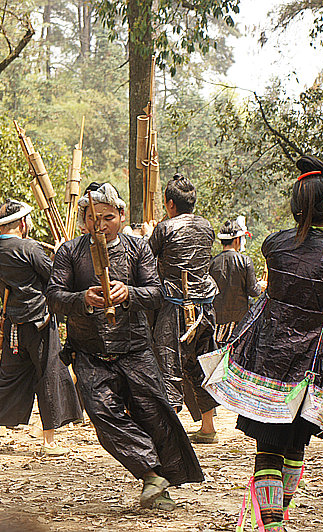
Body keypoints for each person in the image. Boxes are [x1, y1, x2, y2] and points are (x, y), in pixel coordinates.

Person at [203, 156, 323, 532]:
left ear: (296, 207)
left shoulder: (274, 247)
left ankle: (272, 524)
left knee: (268, 445)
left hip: (267, 362)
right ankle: (277, 520)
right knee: (296, 444)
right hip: (313, 368)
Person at [47, 182, 204, 511]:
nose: (100, 225)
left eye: (108, 217)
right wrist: (82, 299)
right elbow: (55, 297)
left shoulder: (138, 248)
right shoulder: (69, 252)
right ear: (83, 221)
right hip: (89, 352)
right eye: (93, 218)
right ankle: (151, 475)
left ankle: (161, 487)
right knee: (103, 415)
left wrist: (129, 293)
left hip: (135, 350)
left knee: (154, 416)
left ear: (121, 215)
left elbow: (157, 293)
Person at [0, 200, 81, 456]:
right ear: (23, 223)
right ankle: (49, 442)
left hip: (14, 325)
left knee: (5, 377)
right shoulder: (30, 248)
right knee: (48, 375)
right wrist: (63, 255)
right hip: (39, 322)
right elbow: (55, 277)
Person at [148, 174, 220, 443]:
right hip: (205, 308)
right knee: (201, 366)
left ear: (170, 204)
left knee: (169, 366)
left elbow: (146, 258)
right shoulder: (207, 227)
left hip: (174, 306)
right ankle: (208, 427)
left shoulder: (164, 228)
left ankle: (171, 434)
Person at [209, 217, 266, 344]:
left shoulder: (212, 263)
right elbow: (253, 291)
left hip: (217, 324)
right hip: (238, 324)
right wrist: (260, 286)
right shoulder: (245, 261)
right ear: (236, 240)